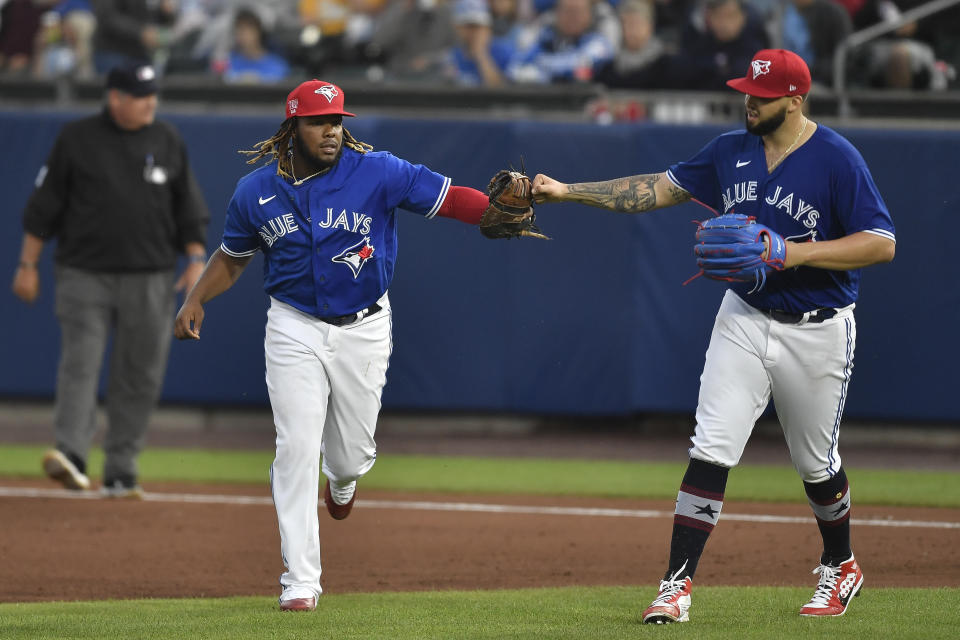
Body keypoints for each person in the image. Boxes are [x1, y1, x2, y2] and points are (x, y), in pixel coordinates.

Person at [531, 48, 895, 623]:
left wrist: (790, 251)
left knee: (815, 465)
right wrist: (566, 190)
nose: (748, 101)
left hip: (818, 328)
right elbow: (655, 189)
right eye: (746, 90)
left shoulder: (836, 159)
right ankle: (675, 587)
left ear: (795, 100)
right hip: (745, 317)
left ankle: (840, 564)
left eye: (762, 95)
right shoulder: (730, 151)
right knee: (712, 447)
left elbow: (880, 242)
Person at [173, 79, 513, 612]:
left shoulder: (378, 170)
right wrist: (196, 299)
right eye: (318, 121)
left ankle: (344, 481)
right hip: (293, 325)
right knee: (296, 447)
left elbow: (449, 199)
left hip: (365, 326)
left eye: (336, 120)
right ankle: (300, 580)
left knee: (350, 456)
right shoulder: (254, 192)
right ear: (293, 127)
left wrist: (494, 210)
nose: (331, 130)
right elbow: (232, 257)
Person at [11, 61, 210, 498]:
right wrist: (27, 265)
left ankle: (121, 467)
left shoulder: (167, 139)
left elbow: (188, 210)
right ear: (115, 97)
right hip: (84, 274)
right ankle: (73, 455)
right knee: (80, 364)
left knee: (140, 372)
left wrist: (196, 259)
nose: (150, 102)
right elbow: (43, 209)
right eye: (141, 95)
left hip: (152, 277)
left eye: (153, 93)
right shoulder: (76, 139)